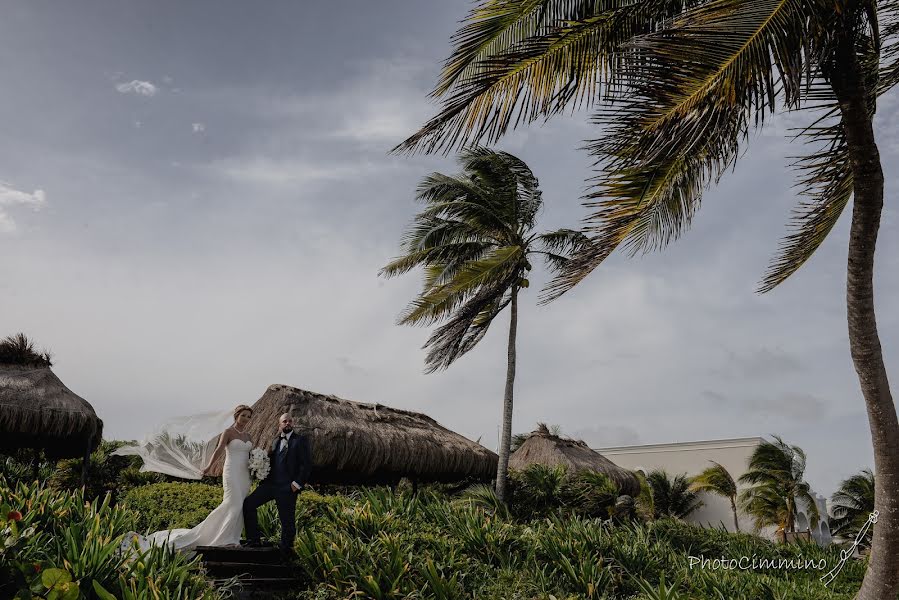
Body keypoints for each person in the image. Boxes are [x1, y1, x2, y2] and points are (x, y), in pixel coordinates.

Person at [118, 405, 255, 553]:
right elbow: (219, 450)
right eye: (243, 415)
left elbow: (250, 455)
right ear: (236, 416)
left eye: (248, 416)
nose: (246, 419)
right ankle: (220, 538)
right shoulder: (228, 432)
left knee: (240, 505)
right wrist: (208, 467)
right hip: (231, 472)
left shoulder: (248, 436)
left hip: (244, 475)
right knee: (232, 503)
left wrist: (256, 467)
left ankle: (232, 538)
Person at [242, 412, 312, 553]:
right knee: (248, 504)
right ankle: (254, 540)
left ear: (293, 423)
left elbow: (306, 465)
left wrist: (296, 484)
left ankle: (285, 552)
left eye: (290, 421)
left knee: (287, 522)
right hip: (270, 485)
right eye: (285, 421)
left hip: (287, 488)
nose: (288, 423)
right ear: (279, 424)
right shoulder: (275, 441)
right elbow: (272, 463)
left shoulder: (300, 440)